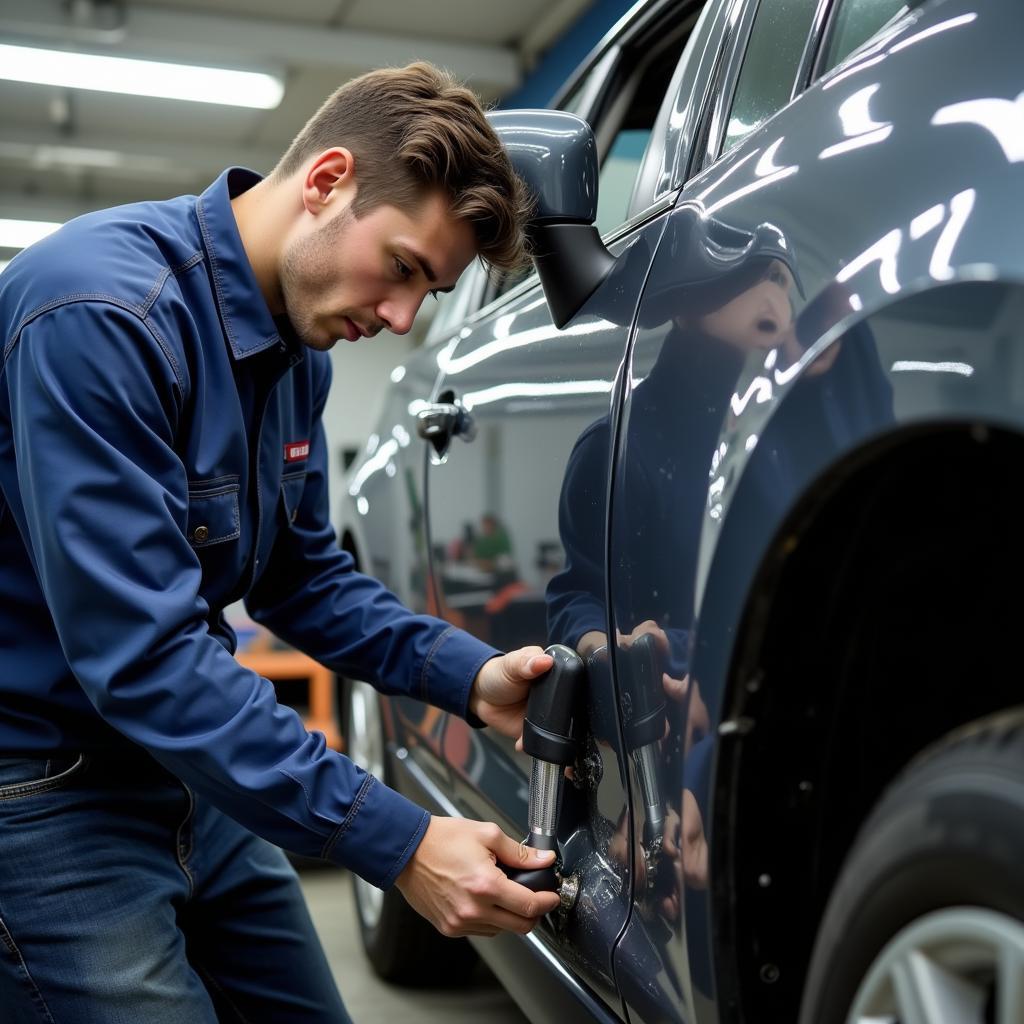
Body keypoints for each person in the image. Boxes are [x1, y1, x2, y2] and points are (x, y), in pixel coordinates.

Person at [0, 63, 562, 1023]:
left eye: (427, 293)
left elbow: (301, 579)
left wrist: (469, 678)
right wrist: (396, 840)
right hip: (42, 793)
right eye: (403, 269)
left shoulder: (295, 355)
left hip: (185, 769)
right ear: (327, 179)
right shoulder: (99, 314)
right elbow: (141, 658)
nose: (399, 319)